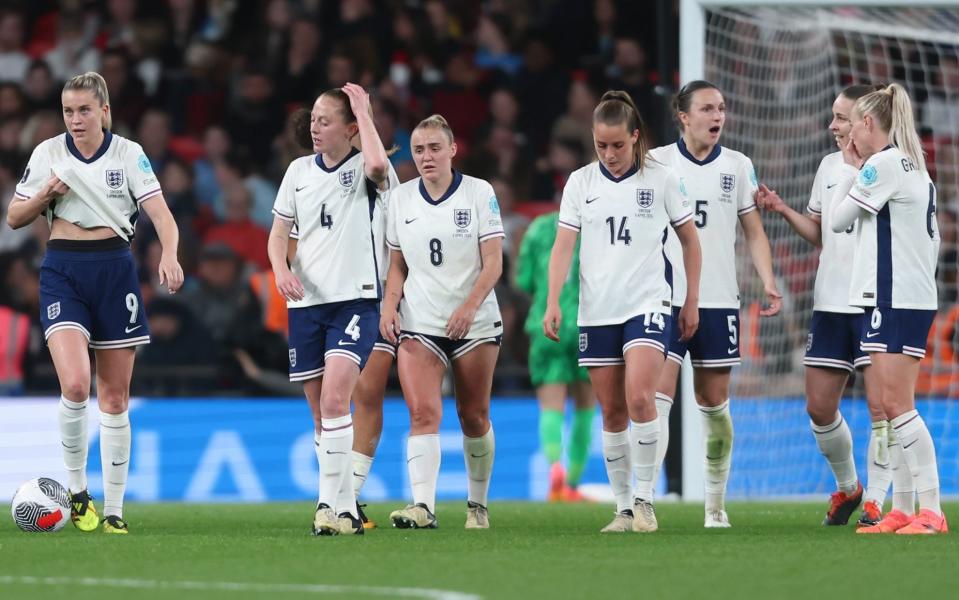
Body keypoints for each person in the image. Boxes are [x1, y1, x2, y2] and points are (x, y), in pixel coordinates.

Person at [6, 71, 183, 534]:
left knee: (115, 396)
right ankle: (79, 492)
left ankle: (116, 510)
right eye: (68, 111)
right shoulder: (48, 153)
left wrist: (170, 254)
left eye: (84, 110)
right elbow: (14, 217)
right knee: (77, 386)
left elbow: (161, 214)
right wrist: (47, 193)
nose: (76, 119)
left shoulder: (128, 154)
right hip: (63, 268)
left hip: (115, 268)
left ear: (104, 111)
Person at [544, 90, 702, 534]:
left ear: (636, 137)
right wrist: (554, 299)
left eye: (617, 145)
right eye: (601, 146)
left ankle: (645, 499)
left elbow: (690, 240)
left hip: (648, 303)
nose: (609, 154)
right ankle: (622, 508)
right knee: (611, 412)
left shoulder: (663, 179)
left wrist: (689, 299)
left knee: (639, 399)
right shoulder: (580, 184)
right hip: (597, 310)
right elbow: (563, 246)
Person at [757, 85, 899, 528]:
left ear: (865, 122)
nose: (833, 125)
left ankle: (877, 500)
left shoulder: (891, 166)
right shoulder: (827, 166)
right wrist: (782, 209)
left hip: (874, 301)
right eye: (834, 117)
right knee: (819, 407)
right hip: (830, 302)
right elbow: (821, 232)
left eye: (841, 117)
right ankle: (850, 486)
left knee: (881, 408)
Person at [649, 80, 782, 528]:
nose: (717, 116)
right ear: (683, 116)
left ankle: (714, 506)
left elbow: (754, 232)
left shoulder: (739, 166)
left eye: (721, 108)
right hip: (665, 300)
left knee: (715, 408)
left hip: (720, 301)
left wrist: (768, 280)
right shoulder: (656, 163)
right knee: (656, 400)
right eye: (707, 109)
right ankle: (641, 503)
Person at [269, 83, 391, 536]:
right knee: (321, 415)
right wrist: (280, 269)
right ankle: (346, 509)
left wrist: (364, 110)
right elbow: (278, 232)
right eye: (313, 119)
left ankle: (327, 506)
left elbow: (378, 163)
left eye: (325, 120)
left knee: (337, 398)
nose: (315, 127)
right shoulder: (298, 171)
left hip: (355, 300)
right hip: (305, 304)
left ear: (350, 128)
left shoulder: (367, 166)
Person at [829, 83, 946, 534]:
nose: (848, 134)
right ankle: (901, 508)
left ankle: (931, 511)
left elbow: (839, 221)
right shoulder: (911, 164)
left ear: (868, 123)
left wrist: (848, 170)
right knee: (889, 404)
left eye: (853, 123)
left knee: (896, 405)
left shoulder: (880, 164)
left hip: (893, 297)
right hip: (905, 296)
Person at [380, 114, 503, 530]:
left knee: (473, 416)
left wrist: (468, 307)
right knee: (422, 413)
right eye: (418, 150)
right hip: (421, 320)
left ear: (453, 149)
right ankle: (423, 506)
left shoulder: (478, 193)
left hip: (475, 322)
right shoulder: (401, 199)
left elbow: (494, 264)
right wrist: (389, 306)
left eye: (434, 148)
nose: (426, 157)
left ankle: (478, 505)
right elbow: (396, 265)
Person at [516, 208, 596, 502]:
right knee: (586, 405)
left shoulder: (538, 229)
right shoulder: (593, 225)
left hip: (547, 321)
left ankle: (555, 468)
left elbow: (523, 280)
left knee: (551, 405)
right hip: (587, 322)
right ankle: (572, 484)